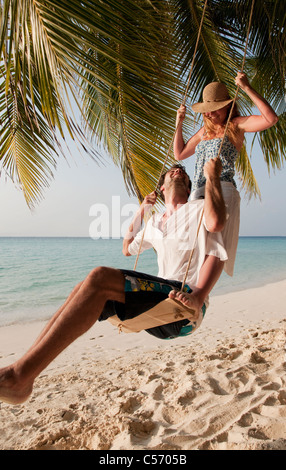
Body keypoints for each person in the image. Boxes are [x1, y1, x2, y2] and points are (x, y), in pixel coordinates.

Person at [0, 158, 227, 405]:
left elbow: (217, 237)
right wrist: (143, 210)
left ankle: (20, 376)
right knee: (83, 289)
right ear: (161, 187)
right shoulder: (155, 223)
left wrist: (199, 296)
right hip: (159, 307)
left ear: (188, 185)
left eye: (182, 173)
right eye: (173, 171)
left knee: (99, 277)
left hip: (185, 307)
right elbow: (127, 247)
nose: (178, 172)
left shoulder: (198, 208)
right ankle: (23, 372)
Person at [174, 72, 278, 276]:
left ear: (228, 106)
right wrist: (179, 121)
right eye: (207, 111)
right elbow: (180, 153)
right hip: (197, 193)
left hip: (222, 188)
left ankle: (200, 294)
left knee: (215, 244)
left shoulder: (236, 125)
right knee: (192, 247)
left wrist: (247, 87)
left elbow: (270, 119)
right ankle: (186, 289)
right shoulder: (203, 132)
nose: (210, 114)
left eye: (214, 109)